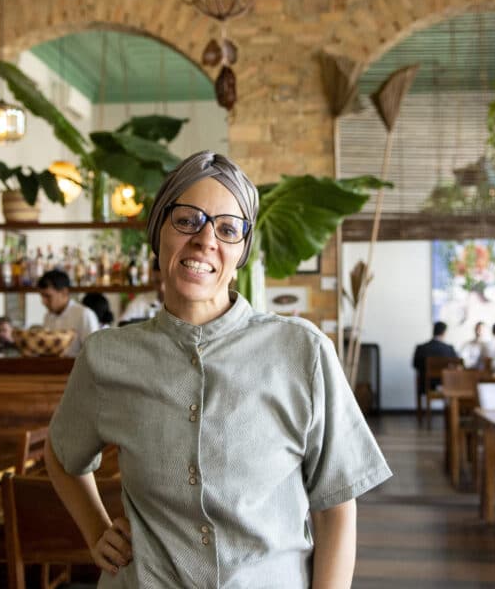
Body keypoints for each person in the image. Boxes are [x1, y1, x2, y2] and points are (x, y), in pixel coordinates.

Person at [44, 151, 390, 587]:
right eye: (188, 220)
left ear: (241, 252)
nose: (206, 240)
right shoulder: (106, 357)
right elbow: (61, 456)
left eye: (228, 229)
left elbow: (336, 507)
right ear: (158, 233)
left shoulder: (302, 351)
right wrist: (96, 529)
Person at [38, 270, 100, 357]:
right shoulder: (48, 316)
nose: (43, 302)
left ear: (64, 292)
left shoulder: (84, 314)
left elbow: (95, 354)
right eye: (42, 296)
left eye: (48, 296)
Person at [413, 321, 460, 393]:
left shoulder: (421, 348)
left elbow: (415, 365)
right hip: (446, 384)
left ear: (433, 331)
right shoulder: (449, 349)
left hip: (425, 386)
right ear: (444, 333)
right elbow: (456, 365)